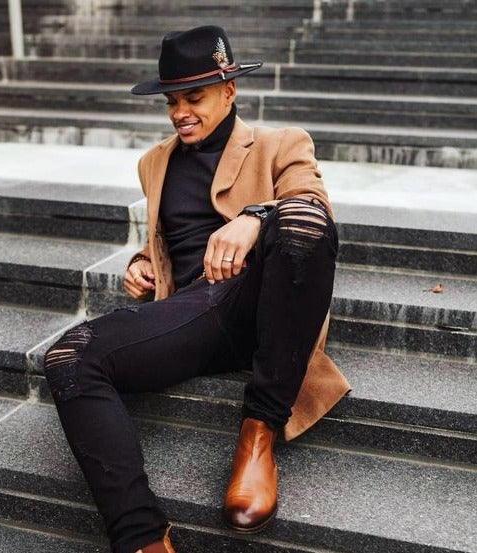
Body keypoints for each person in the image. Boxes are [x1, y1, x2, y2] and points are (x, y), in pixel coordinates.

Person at [44, 25, 350, 553]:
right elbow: (167, 242)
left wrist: (254, 218)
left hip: (265, 302)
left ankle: (258, 434)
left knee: (302, 220)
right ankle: (143, 538)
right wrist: (142, 263)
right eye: (172, 101)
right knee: (68, 356)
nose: (180, 112)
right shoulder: (154, 162)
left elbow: (312, 205)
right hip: (194, 313)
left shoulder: (281, 143)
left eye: (194, 98)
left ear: (229, 91)